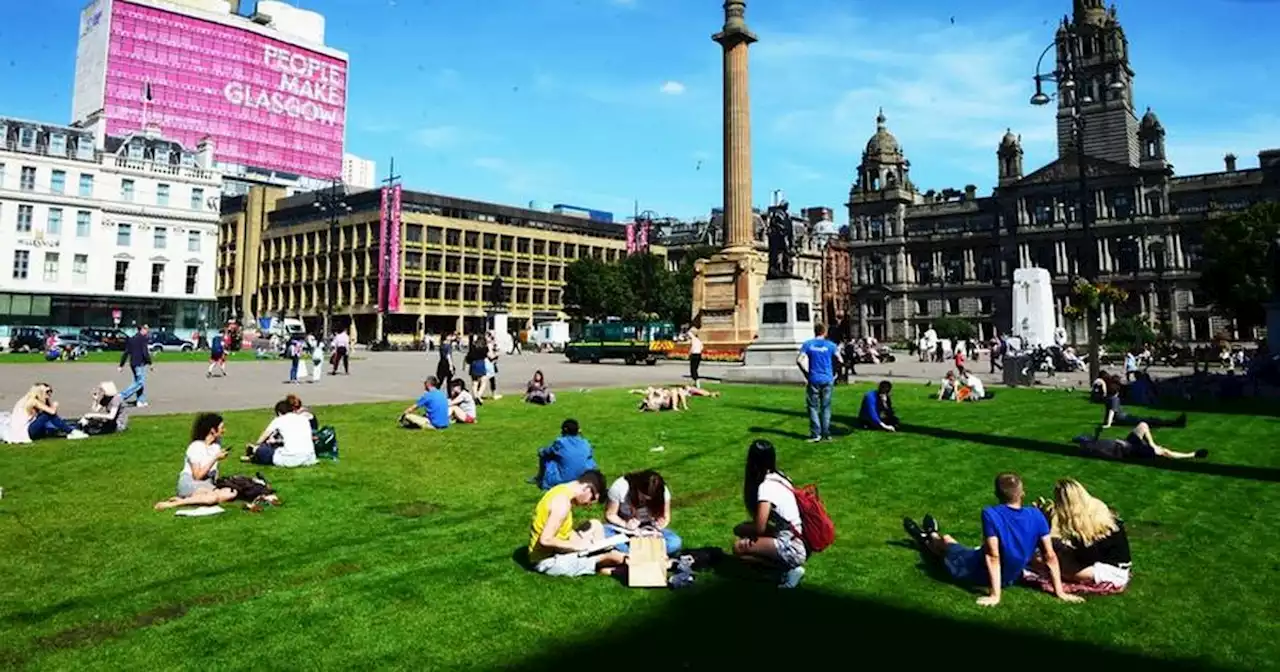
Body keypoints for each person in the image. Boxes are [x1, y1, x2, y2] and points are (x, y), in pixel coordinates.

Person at [903, 473, 1084, 607]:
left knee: (946, 543)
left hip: (973, 569)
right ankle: (928, 535)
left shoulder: (991, 514)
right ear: (1022, 493)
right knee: (949, 544)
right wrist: (1060, 592)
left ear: (996, 494)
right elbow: (1050, 555)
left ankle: (927, 537)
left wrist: (995, 595)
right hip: (1006, 576)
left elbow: (992, 556)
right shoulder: (1036, 515)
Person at [733, 440, 807, 588]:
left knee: (738, 547)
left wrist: (745, 531)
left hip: (790, 545)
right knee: (741, 530)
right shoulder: (781, 477)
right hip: (797, 536)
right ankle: (782, 564)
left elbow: (760, 528)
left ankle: (787, 570)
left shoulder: (766, 487)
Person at [1033, 479, 1132, 590]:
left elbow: (1085, 559)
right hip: (1111, 562)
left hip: (1112, 571)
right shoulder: (1096, 507)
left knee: (1055, 566)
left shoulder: (1083, 526)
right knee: (1054, 552)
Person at [528, 469, 625, 577]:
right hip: (548, 561)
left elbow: (564, 530)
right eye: (592, 499)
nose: (589, 504)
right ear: (586, 488)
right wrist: (577, 546)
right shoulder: (562, 503)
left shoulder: (561, 489)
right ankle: (601, 564)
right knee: (614, 556)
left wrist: (584, 543)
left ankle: (596, 557)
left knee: (595, 524)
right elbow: (545, 540)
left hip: (558, 549)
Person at [154, 413, 237, 510]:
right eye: (221, 428)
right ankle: (176, 503)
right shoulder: (196, 447)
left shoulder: (216, 446)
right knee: (213, 498)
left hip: (206, 482)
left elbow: (214, 472)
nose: (224, 430)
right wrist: (215, 458)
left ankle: (195, 498)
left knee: (230, 493)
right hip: (190, 482)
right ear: (213, 430)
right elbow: (197, 476)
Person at [604, 470, 682, 556]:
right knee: (604, 532)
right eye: (644, 498)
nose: (645, 501)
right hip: (625, 529)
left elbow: (665, 517)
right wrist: (625, 524)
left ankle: (632, 553)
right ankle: (650, 552)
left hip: (649, 528)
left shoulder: (663, 492)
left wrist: (658, 527)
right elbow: (610, 514)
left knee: (675, 542)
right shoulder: (620, 487)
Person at [796, 322, 842, 442]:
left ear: (815, 331)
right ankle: (826, 433)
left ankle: (816, 434)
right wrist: (835, 372)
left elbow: (799, 360)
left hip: (814, 378)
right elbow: (840, 360)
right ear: (825, 332)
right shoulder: (831, 345)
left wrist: (806, 373)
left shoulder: (808, 344)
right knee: (826, 407)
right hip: (827, 378)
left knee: (813, 407)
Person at [1073, 422, 1208, 461]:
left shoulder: (1147, 451)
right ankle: (1153, 444)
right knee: (1143, 426)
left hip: (1128, 448)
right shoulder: (1148, 449)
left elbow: (1170, 454)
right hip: (1128, 445)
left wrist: (1191, 454)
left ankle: (1194, 454)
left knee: (1162, 451)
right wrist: (1152, 444)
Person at [243, 399, 319, 468]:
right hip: (310, 457)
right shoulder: (303, 419)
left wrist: (258, 444)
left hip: (290, 459)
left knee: (263, 451)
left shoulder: (279, 420)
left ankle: (254, 450)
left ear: (279, 412)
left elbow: (265, 434)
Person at [533, 419, 598, 490]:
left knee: (546, 457)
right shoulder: (585, 443)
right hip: (583, 478)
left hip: (564, 479)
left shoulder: (561, 443)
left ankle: (540, 479)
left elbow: (546, 452)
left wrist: (540, 451)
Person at [1099, 375, 1185, 428]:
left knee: (1149, 420)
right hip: (1124, 419)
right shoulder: (1115, 399)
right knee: (1149, 421)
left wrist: (1107, 421)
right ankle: (1174, 423)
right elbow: (1111, 412)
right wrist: (1108, 424)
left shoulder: (1110, 399)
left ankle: (1173, 422)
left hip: (1125, 417)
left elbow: (1109, 412)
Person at [24, 383, 88, 440]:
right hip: (29, 431)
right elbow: (52, 412)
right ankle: (72, 431)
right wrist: (54, 406)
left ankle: (73, 430)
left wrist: (48, 401)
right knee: (48, 414)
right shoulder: (33, 401)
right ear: (40, 392)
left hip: (38, 429)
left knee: (52, 423)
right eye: (47, 391)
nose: (49, 393)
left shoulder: (43, 400)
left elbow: (54, 417)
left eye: (50, 391)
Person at [118, 325, 153, 408]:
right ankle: (121, 396)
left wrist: (121, 365)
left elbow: (126, 352)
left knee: (139, 382)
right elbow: (145, 352)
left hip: (133, 364)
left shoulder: (132, 338)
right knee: (139, 383)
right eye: (146, 329)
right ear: (142, 330)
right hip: (139, 364)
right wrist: (150, 363)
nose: (147, 331)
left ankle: (140, 401)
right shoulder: (143, 339)